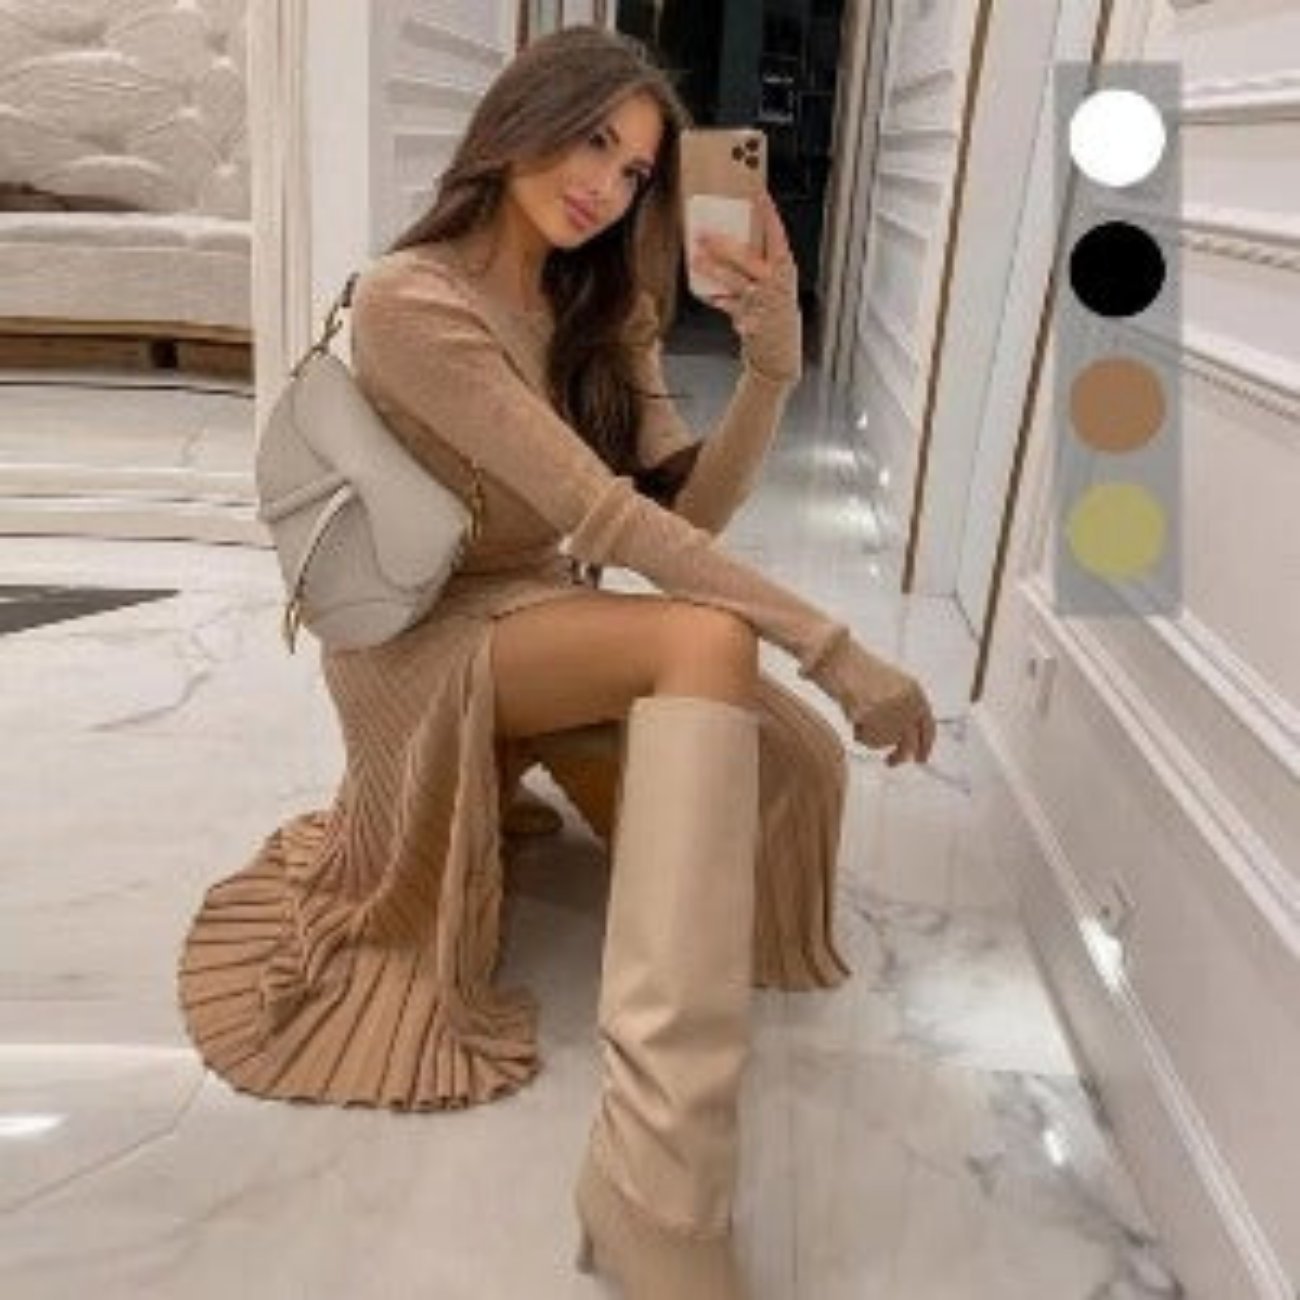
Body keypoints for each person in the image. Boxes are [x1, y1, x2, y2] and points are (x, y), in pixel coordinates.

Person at [176, 24, 935, 1300]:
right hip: (424, 635)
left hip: (540, 606)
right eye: (591, 141)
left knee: (786, 762)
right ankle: (656, 1190)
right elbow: (603, 517)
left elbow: (684, 519)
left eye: (635, 172)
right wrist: (833, 645)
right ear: (519, 120)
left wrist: (770, 367)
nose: (606, 186)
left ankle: (656, 1098)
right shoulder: (412, 300)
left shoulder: (603, 303)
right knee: (710, 641)